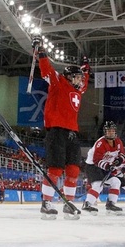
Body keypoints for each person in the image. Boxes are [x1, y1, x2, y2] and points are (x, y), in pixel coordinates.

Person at [34, 38, 89, 220]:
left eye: (81, 78)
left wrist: (86, 66)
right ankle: (46, 202)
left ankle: (68, 202)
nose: (80, 81)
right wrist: (41, 51)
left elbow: (86, 80)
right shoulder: (58, 82)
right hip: (56, 130)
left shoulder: (79, 90)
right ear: (69, 76)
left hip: (72, 132)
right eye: (77, 77)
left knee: (73, 169)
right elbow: (46, 70)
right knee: (55, 168)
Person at [83, 121, 125, 214]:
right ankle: (87, 204)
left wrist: (119, 160)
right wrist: (108, 166)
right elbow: (96, 160)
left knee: (116, 181)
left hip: (105, 167)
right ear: (105, 132)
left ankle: (111, 204)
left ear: (115, 131)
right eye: (108, 131)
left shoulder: (118, 141)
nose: (110, 133)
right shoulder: (100, 143)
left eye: (112, 130)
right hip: (93, 166)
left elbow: (123, 154)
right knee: (98, 185)